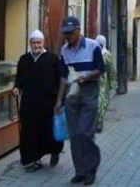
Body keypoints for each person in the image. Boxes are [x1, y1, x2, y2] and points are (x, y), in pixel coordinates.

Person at [57, 17, 105, 185]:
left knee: (86, 131)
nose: (67, 36)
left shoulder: (93, 46)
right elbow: (63, 77)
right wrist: (59, 100)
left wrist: (87, 75)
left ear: (78, 30)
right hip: (72, 93)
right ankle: (80, 171)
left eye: (70, 33)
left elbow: (101, 69)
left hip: (89, 90)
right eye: (65, 34)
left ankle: (91, 169)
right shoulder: (64, 50)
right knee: (75, 135)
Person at [14, 29, 67, 172]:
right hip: (29, 104)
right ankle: (32, 160)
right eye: (33, 42)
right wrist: (16, 87)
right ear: (30, 43)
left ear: (43, 42)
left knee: (50, 131)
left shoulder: (53, 58)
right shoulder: (24, 59)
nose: (36, 45)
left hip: (48, 103)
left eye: (39, 42)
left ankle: (54, 152)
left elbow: (62, 79)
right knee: (29, 132)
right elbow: (19, 78)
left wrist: (59, 101)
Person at [95, 35, 117, 133]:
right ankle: (96, 122)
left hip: (103, 82)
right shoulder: (92, 52)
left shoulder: (106, 54)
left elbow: (111, 69)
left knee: (102, 103)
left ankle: (99, 122)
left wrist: (113, 83)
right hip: (92, 81)